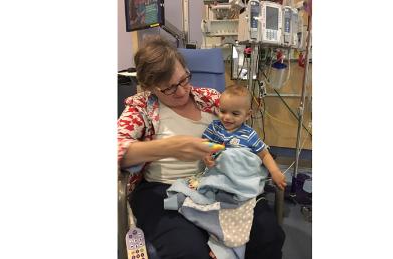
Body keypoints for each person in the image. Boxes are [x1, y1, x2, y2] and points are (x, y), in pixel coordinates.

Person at [118, 35, 285, 259]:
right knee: (190, 251)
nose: (181, 91)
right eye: (168, 88)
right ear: (149, 87)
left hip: (220, 181)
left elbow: (241, 129)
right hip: (164, 190)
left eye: (184, 79)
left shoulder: (211, 98)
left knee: (268, 235)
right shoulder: (140, 108)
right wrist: (170, 147)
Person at [202, 85, 287, 191]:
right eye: (223, 111)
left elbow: (264, 154)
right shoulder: (215, 127)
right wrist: (206, 155)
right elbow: (203, 144)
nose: (227, 117)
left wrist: (275, 172)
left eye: (235, 113)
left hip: (239, 176)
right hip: (217, 173)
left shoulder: (249, 134)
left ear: (247, 115)